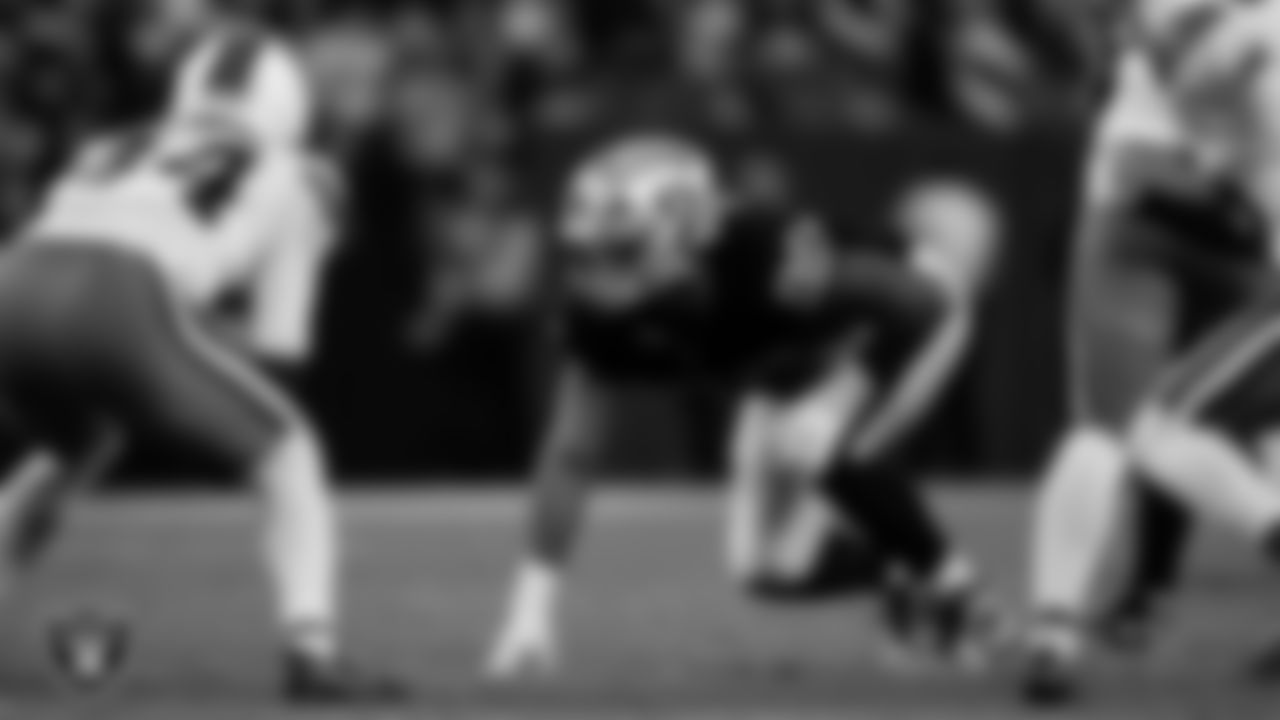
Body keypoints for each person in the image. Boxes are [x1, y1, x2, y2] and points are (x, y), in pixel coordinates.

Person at [484, 135, 997, 680]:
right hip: (796, 368)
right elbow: (572, 453)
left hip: (915, 320)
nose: (598, 278)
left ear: (685, 236)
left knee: (808, 435)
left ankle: (960, 595)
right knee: (772, 569)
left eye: (624, 253)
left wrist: (841, 398)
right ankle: (902, 575)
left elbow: (919, 303)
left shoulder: (765, 256)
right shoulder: (601, 316)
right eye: (588, 254)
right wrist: (529, 614)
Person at [0, 21, 403, 703]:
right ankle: (312, 654)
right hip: (117, 295)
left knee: (80, 443)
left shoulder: (115, 142)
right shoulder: (296, 174)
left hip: (15, 284)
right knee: (291, 452)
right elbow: (281, 353)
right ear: (288, 101)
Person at [1023, 0, 1280, 704]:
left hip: (1206, 224)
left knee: (1158, 426)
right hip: (1163, 218)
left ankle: (1068, 627)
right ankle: (1057, 630)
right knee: (1132, 426)